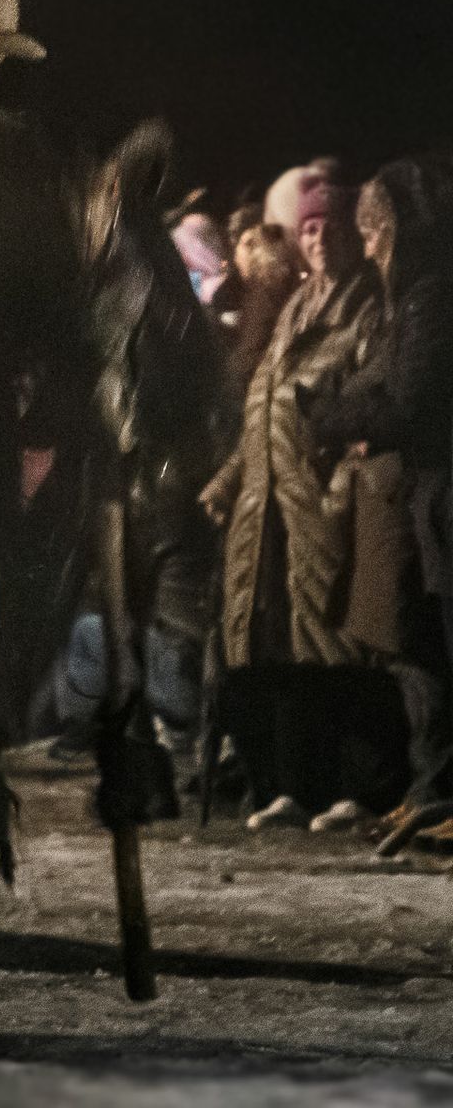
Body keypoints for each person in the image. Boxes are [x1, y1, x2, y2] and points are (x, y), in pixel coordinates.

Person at [200, 172, 404, 831]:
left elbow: (371, 410)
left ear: (353, 231)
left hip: (326, 507)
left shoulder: (369, 309)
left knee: (346, 649)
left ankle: (363, 789)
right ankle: (295, 786)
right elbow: (264, 414)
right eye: (308, 227)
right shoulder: (294, 308)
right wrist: (227, 483)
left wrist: (339, 494)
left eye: (330, 225)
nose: (317, 238)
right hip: (269, 509)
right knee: (283, 648)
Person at [304, 157, 453, 848]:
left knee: (438, 648)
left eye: (370, 231)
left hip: (440, 490)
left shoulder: (429, 296)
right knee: (424, 651)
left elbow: (412, 400)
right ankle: (431, 792)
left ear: (394, 229)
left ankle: (440, 793)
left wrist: (333, 418)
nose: (366, 249)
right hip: (426, 495)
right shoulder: (414, 298)